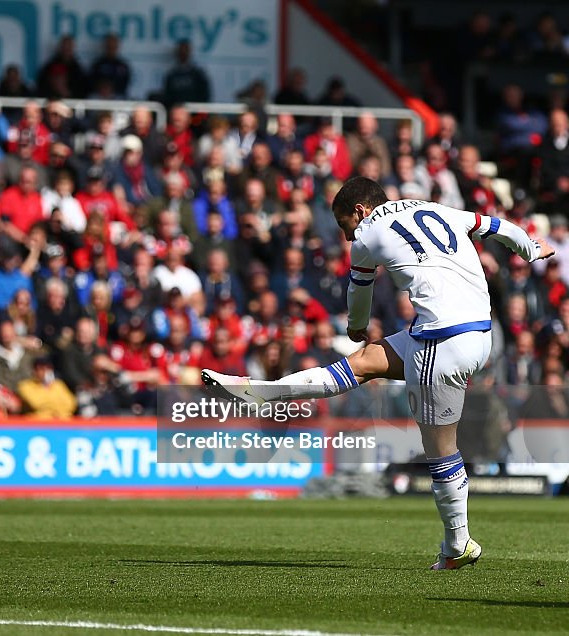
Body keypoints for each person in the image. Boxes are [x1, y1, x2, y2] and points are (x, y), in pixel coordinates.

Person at [202, 177, 555, 570]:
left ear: (360, 211)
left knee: (441, 450)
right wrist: (532, 249)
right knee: (365, 361)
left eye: (344, 225)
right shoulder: (436, 208)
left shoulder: (367, 233)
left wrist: (356, 324)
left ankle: (458, 545)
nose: (346, 234)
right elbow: (497, 226)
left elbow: (359, 291)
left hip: (440, 340)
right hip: (475, 333)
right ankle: (264, 392)